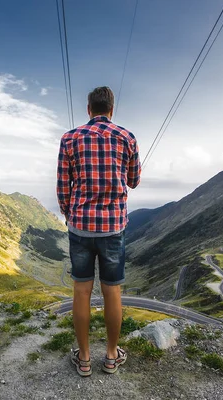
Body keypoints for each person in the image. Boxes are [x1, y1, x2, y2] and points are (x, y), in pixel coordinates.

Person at [56, 86, 141, 376]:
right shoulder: (127, 137)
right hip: (113, 228)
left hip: (80, 226)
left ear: (89, 109)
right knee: (112, 292)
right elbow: (134, 181)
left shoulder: (69, 138)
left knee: (81, 291)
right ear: (112, 110)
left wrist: (72, 215)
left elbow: (62, 185)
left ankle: (84, 359)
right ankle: (110, 356)